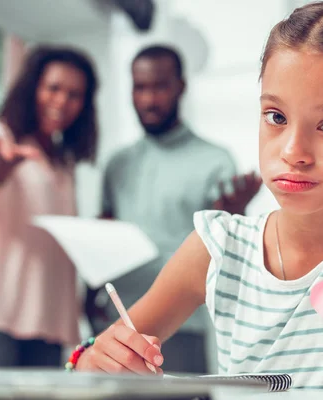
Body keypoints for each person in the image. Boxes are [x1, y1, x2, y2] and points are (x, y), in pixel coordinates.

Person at [76, 2, 323, 389]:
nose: (292, 151)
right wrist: (95, 359)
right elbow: (92, 361)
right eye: (277, 117)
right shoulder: (220, 247)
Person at [85, 45, 262, 373]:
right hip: (115, 326)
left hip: (182, 328)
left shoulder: (215, 160)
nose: (149, 99)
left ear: (180, 87)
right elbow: (106, 237)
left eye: (160, 86)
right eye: (140, 87)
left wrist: (236, 213)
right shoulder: (117, 164)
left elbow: (228, 248)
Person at [0, 46, 99, 367]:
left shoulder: (64, 164)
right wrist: (2, 165)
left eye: (75, 94)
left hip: (47, 326)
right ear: (33, 89)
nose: (62, 101)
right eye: (53, 88)